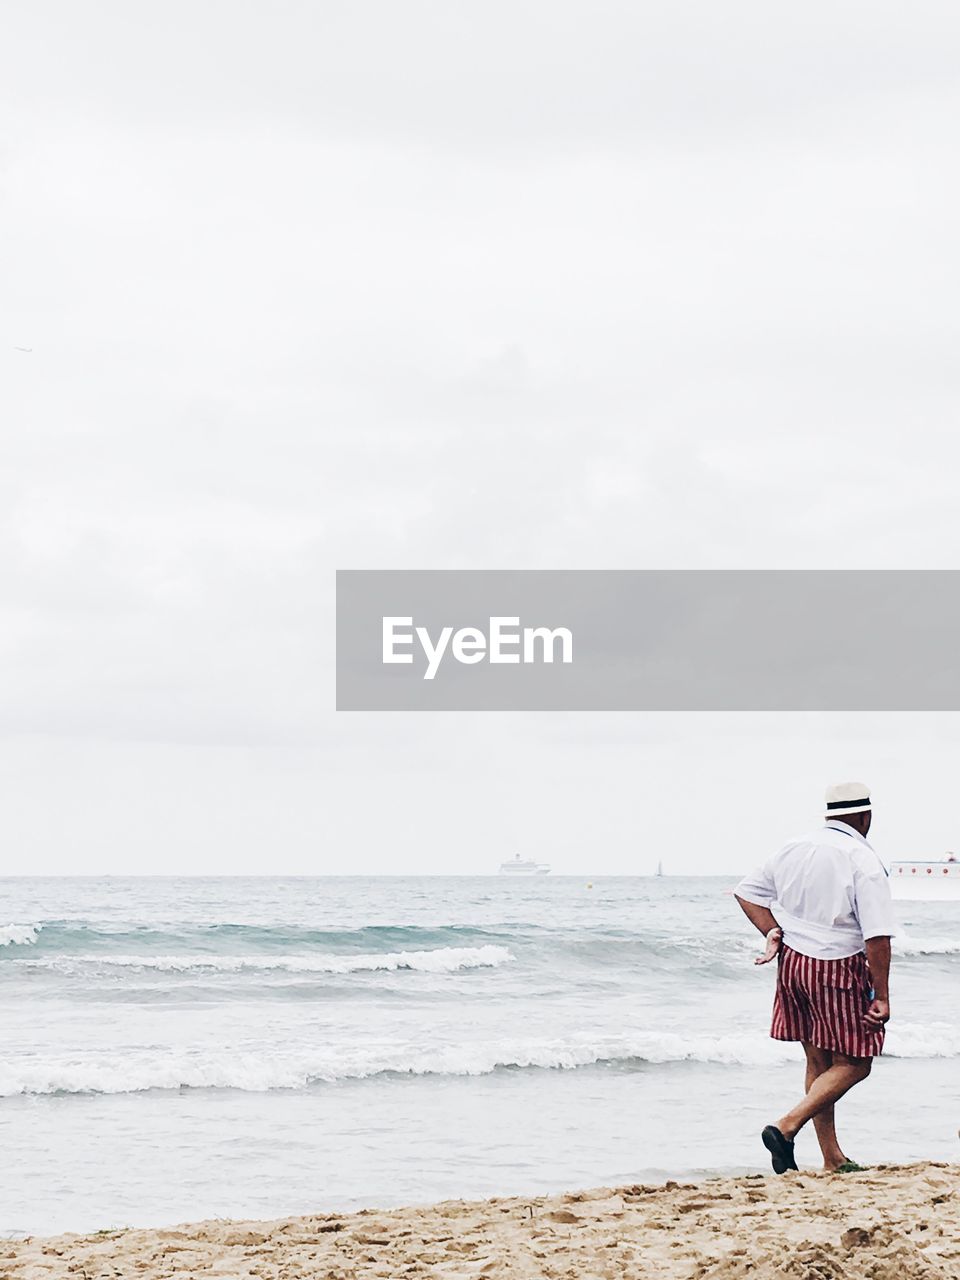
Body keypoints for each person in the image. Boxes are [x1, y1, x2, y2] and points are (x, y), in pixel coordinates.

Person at [734, 782, 895, 1175]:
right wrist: (882, 995)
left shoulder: (794, 846)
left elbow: (747, 893)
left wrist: (771, 931)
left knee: (818, 1059)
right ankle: (785, 1127)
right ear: (865, 817)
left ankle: (831, 1157)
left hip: (792, 964)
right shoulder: (863, 859)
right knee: (856, 1063)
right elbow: (876, 936)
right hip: (836, 964)